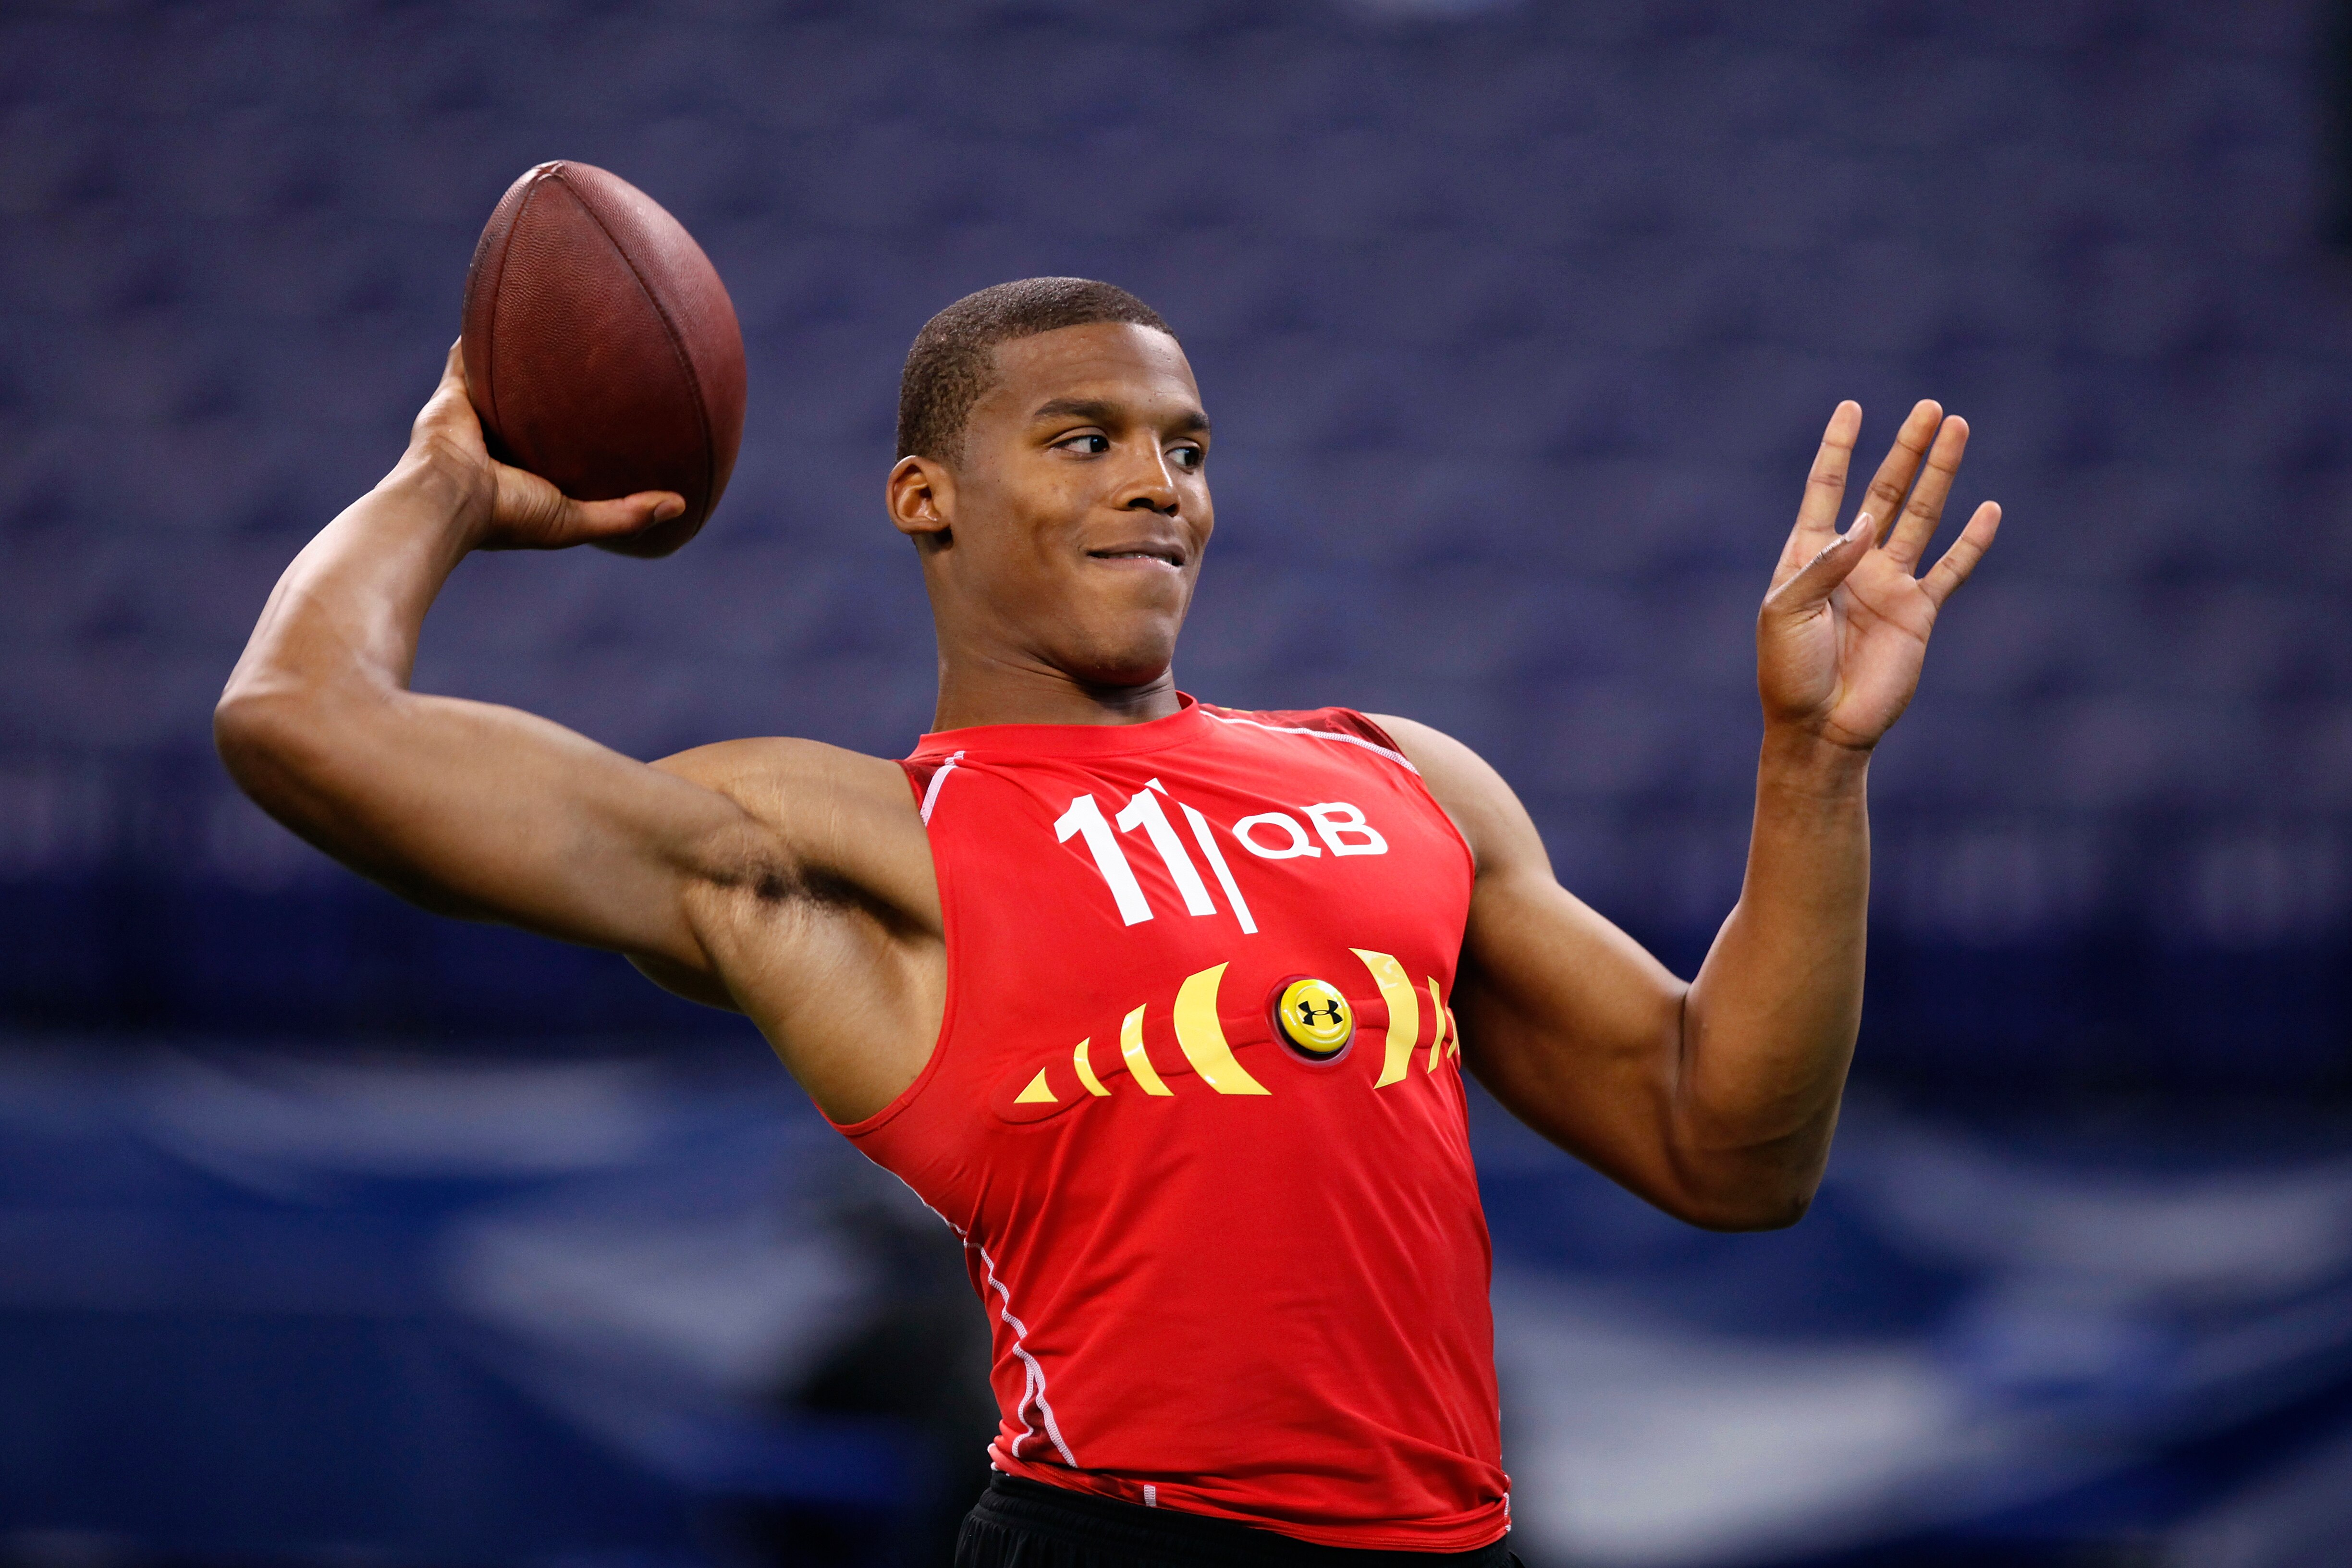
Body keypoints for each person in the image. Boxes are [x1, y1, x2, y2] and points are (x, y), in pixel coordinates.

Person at [216, 278, 2001, 1565]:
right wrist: (448, 484)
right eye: (1087, 439)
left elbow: (1730, 1149)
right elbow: (304, 727)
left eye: (1187, 444)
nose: (1162, 482)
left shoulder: (1400, 779)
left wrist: (1811, 764)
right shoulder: (850, 842)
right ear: (927, 497)